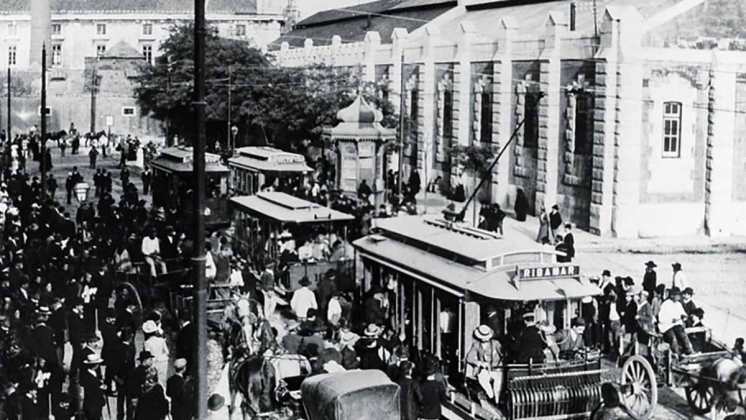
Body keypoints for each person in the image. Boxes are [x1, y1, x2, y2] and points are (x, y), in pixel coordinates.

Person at [465, 325, 503, 402]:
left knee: (498, 383)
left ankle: (497, 401)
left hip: (496, 369)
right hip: (484, 370)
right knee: (482, 379)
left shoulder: (496, 343)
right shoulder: (476, 345)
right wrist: (479, 363)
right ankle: (491, 397)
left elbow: (503, 354)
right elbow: (469, 358)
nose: (485, 338)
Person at [658, 287, 695, 356]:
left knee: (683, 335)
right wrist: (670, 320)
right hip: (666, 327)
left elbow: (683, 314)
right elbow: (660, 319)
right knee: (673, 338)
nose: (679, 297)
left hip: (676, 325)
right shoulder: (665, 304)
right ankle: (677, 354)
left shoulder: (678, 304)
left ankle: (689, 351)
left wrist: (684, 316)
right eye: (677, 296)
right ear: (672, 296)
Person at [142, 321, 169, 388]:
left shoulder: (147, 343)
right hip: (162, 363)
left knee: (152, 381)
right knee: (162, 381)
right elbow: (167, 352)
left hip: (152, 363)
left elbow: (147, 355)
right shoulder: (161, 340)